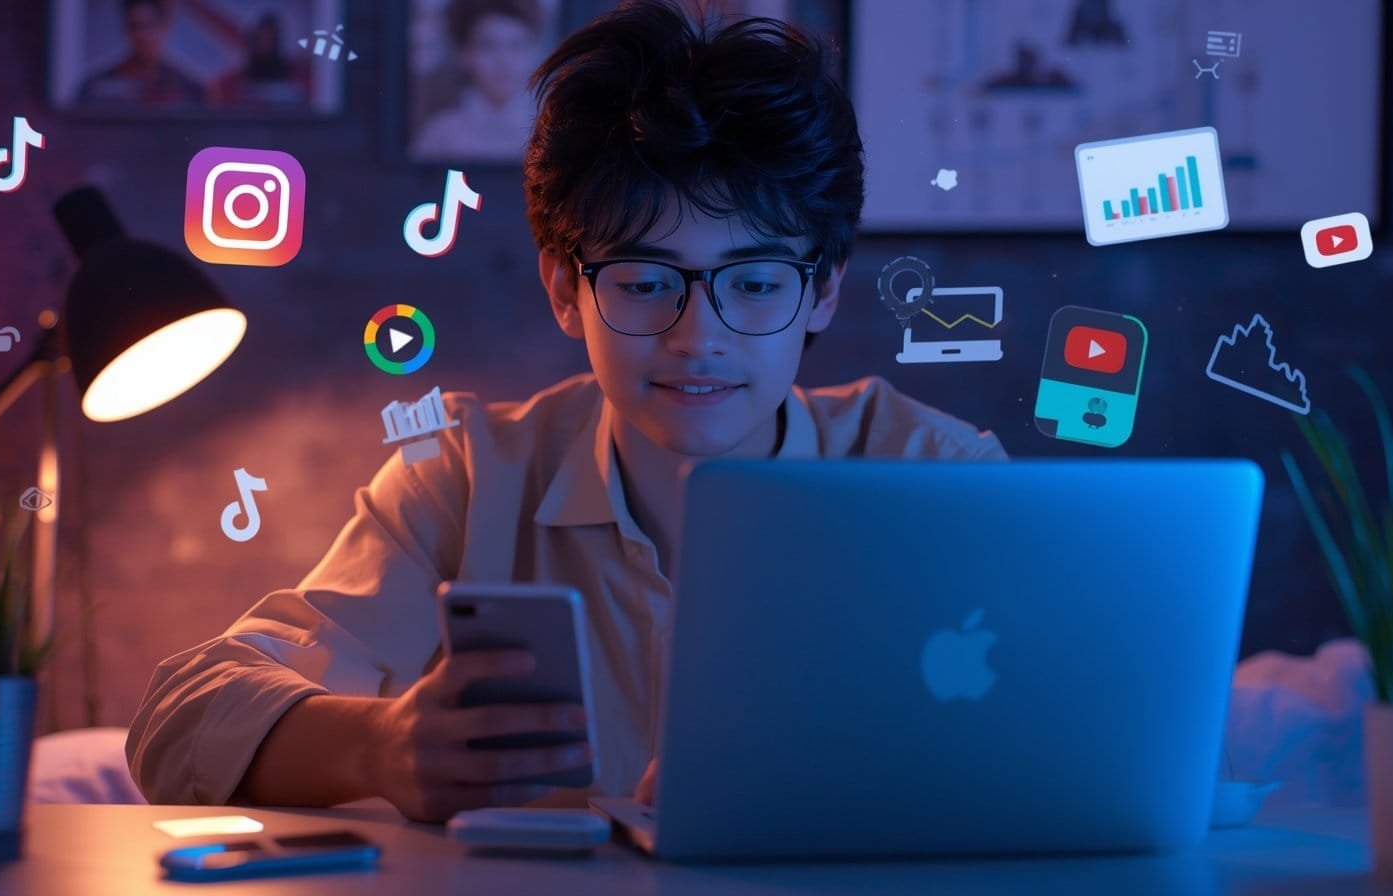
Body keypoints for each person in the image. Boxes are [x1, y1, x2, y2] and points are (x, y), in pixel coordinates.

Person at [127, 0, 1007, 823]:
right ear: (562, 288)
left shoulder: (937, 479)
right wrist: (380, 749)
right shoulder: (464, 478)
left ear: (822, 292)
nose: (698, 336)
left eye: (753, 283)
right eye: (645, 281)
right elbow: (179, 717)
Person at [409, 0, 545, 161]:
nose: (504, 61)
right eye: (488, 46)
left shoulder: (550, 131)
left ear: (534, 53)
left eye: (516, 46)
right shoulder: (441, 135)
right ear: (464, 54)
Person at [77, 0, 205, 107]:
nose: (142, 35)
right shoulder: (96, 88)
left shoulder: (189, 89)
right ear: (126, 30)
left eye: (149, 25)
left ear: (164, 27)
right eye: (135, 26)